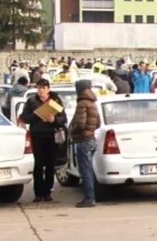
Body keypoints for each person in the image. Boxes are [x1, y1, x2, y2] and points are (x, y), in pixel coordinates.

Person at [20, 79, 68, 202]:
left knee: (50, 165)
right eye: (39, 88)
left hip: (51, 135)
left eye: (43, 88)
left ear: (48, 89)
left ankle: (48, 192)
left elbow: (63, 118)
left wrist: (54, 120)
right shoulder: (31, 101)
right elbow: (25, 117)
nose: (41, 90)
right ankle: (38, 193)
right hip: (37, 135)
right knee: (38, 165)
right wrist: (37, 115)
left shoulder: (56, 101)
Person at [70, 80, 101, 208]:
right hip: (91, 139)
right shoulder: (92, 103)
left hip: (83, 140)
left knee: (85, 170)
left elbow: (80, 124)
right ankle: (91, 196)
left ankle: (89, 198)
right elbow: (98, 123)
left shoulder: (82, 103)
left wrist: (72, 131)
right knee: (89, 169)